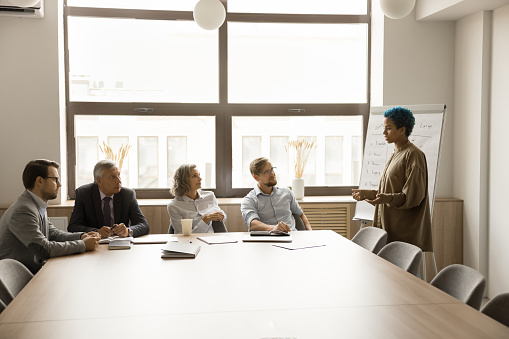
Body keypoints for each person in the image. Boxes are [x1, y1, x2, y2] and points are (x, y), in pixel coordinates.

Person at [352, 107, 433, 251]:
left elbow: (412, 197)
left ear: (402, 130)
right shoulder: (396, 153)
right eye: (384, 128)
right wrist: (368, 194)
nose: (383, 132)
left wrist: (384, 198)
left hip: (402, 232)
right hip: (386, 227)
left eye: (388, 128)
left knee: (404, 273)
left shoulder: (414, 155)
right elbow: (390, 189)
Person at [0, 159, 99, 274]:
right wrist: (82, 245)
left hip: (32, 272)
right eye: (55, 179)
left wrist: (82, 236)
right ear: (39, 181)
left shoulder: (36, 204)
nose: (60, 184)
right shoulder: (23, 209)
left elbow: (53, 234)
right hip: (19, 279)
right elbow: (43, 249)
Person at [68, 159, 149, 238]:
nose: (119, 181)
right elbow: (73, 227)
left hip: (120, 243)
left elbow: (143, 225)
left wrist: (128, 231)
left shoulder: (127, 194)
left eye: (119, 175)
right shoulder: (84, 194)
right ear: (99, 180)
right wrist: (97, 232)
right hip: (94, 244)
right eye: (113, 177)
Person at [241, 157, 312, 232]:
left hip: (292, 237)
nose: (272, 174)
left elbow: (301, 215)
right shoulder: (249, 200)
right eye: (267, 172)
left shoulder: (287, 192)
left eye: (272, 169)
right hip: (268, 239)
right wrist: (274, 228)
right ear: (256, 177)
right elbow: (253, 224)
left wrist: (309, 232)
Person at [167, 164, 226, 234]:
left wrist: (221, 215)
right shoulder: (174, 206)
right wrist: (206, 219)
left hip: (212, 242)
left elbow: (221, 218)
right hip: (188, 244)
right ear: (183, 180)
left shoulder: (210, 196)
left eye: (199, 175)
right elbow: (184, 236)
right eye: (194, 176)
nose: (200, 178)